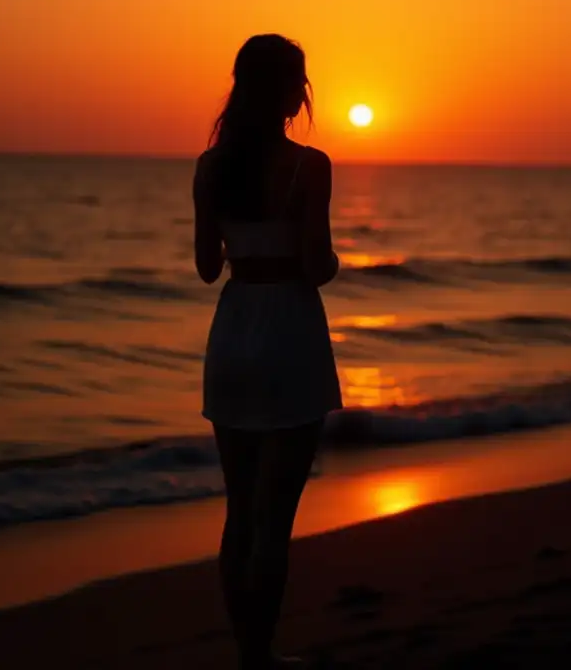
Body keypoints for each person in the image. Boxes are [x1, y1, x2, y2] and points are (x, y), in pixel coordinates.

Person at [193, 34, 343, 669]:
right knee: (274, 520)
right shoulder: (310, 167)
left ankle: (246, 653)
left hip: (232, 335)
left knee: (239, 511)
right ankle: (262, 658)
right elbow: (315, 266)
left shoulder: (210, 168)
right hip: (289, 337)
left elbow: (206, 267)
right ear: (291, 91)